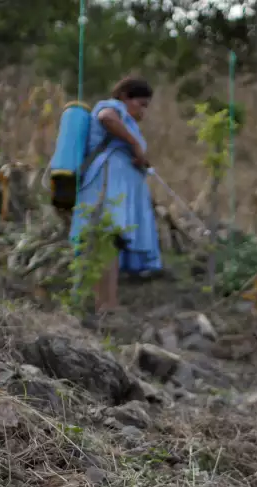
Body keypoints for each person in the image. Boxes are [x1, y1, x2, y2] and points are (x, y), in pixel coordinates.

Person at [68, 76, 164, 313]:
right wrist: (135, 144)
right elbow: (106, 119)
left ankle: (108, 303)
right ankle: (103, 304)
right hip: (106, 182)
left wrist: (138, 157)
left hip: (117, 184)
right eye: (141, 104)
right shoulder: (113, 107)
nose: (143, 112)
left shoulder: (127, 120)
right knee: (105, 240)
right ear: (124, 97)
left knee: (110, 244)